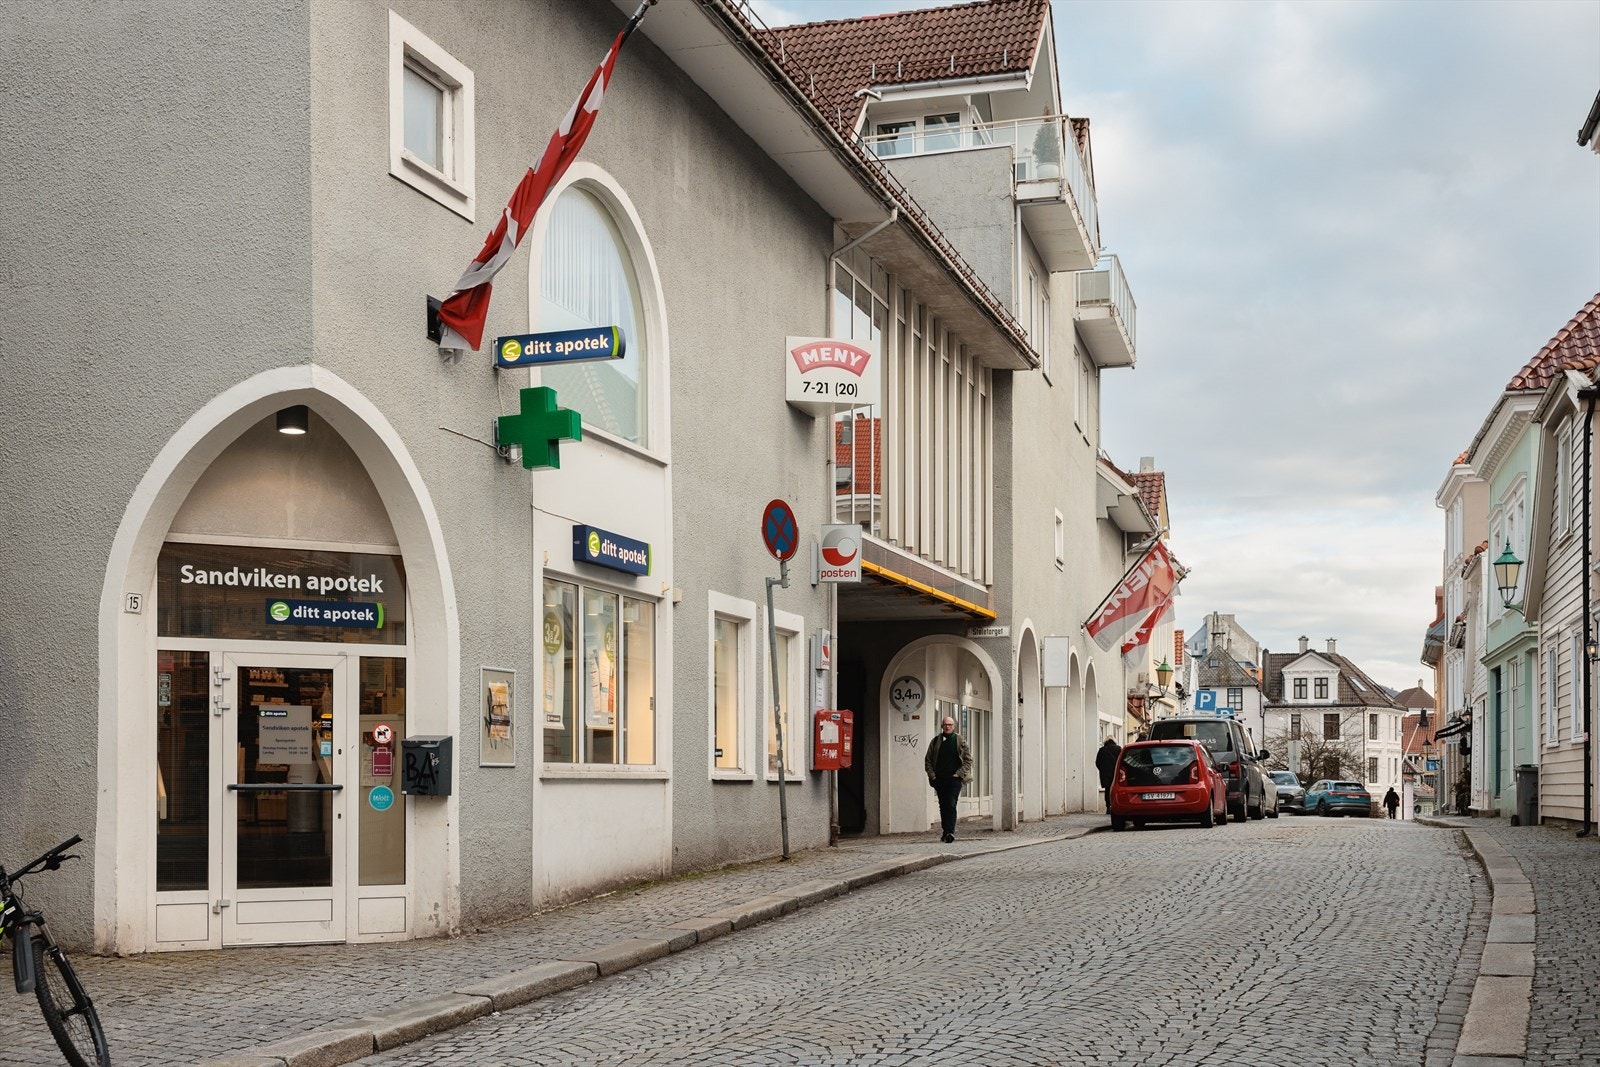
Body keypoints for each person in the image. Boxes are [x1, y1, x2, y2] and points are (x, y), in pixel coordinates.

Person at [924, 716, 973, 842]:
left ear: (954, 726)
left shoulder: (960, 741)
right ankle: (945, 832)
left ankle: (950, 832)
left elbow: (968, 760)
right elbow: (928, 760)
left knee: (951, 804)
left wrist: (959, 773)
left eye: (950, 724)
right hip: (939, 779)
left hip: (954, 779)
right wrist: (932, 775)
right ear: (942, 726)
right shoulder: (935, 741)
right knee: (943, 805)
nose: (947, 726)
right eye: (945, 724)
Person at [1095, 736, 1122, 813]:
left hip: (1105, 774)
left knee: (1107, 790)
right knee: (1115, 789)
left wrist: (1103, 770)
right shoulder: (1118, 749)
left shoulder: (1102, 750)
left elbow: (1097, 762)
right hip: (1115, 773)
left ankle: (1108, 806)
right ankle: (1115, 806)